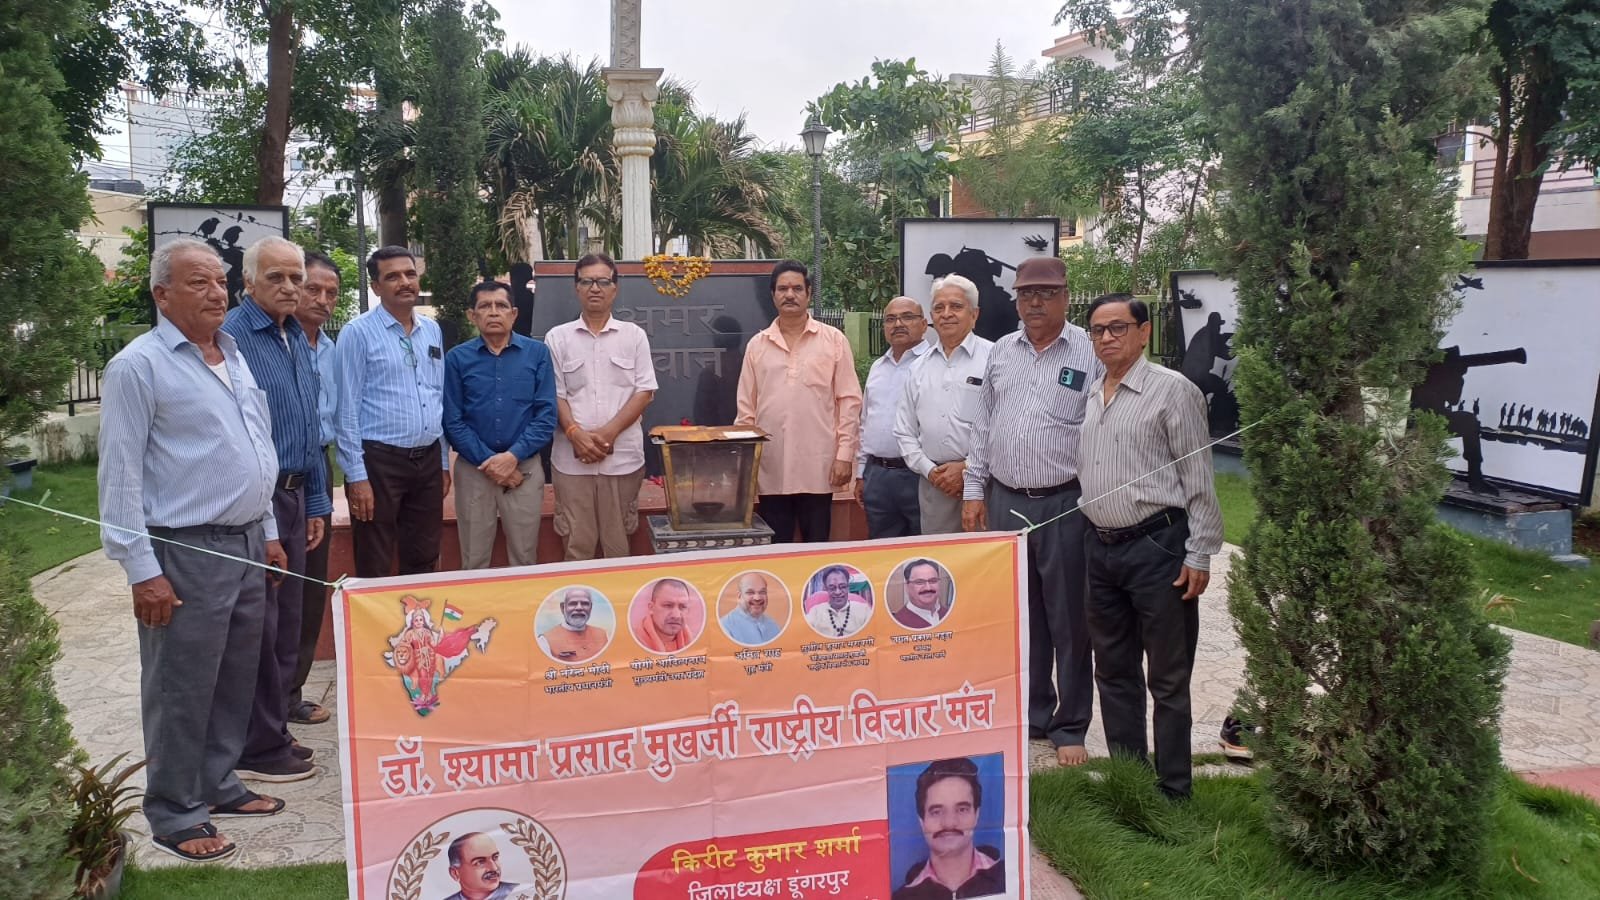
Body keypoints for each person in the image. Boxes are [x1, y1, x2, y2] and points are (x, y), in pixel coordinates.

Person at [98, 237, 289, 862]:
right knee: (181, 684)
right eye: (198, 282)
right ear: (162, 294)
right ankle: (175, 809)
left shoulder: (232, 354)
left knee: (233, 676)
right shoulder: (138, 366)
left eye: (220, 280)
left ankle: (217, 782)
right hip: (185, 551)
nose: (216, 292)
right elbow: (119, 475)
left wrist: (268, 531)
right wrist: (141, 569)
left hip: (245, 543)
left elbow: (255, 447)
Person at [1078, 294, 1223, 801]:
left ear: (1144, 333)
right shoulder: (1093, 392)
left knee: (1167, 676)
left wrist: (1200, 551)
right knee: (1113, 670)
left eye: (1118, 327)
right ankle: (1131, 783)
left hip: (1158, 548)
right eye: (1098, 330)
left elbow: (1198, 476)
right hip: (1101, 549)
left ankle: (1174, 790)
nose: (1107, 338)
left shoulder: (1172, 391)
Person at [961, 256, 1101, 768]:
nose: (1035, 302)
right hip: (1006, 500)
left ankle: (1071, 725)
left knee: (1069, 620)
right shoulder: (1002, 351)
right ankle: (1034, 712)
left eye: (1046, 293)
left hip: (1065, 502)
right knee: (1023, 616)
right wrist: (974, 490)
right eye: (1026, 294)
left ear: (1066, 296)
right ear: (1015, 299)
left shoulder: (1089, 351)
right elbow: (983, 424)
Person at [220, 236, 327, 784]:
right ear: (248, 282)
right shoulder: (233, 339)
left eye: (296, 278)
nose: (290, 288)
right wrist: (267, 519)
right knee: (261, 626)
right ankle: (257, 744)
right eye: (276, 278)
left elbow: (310, 427)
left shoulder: (296, 337)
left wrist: (316, 501)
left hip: (296, 495)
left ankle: (278, 722)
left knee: (288, 619)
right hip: (258, 502)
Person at [335, 246, 449, 577]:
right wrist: (357, 476)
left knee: (424, 554)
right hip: (380, 462)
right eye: (393, 277)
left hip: (427, 460)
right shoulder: (357, 333)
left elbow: (437, 396)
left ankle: (419, 612)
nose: (404, 282)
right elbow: (346, 409)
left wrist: (442, 462)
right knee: (375, 558)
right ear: (376, 287)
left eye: (410, 274)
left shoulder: (432, 330)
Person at [735, 260, 862, 542]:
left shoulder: (833, 340)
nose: (789, 295)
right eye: (782, 289)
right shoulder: (757, 345)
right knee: (776, 551)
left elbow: (849, 401)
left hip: (818, 468)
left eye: (796, 288)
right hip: (771, 468)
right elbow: (746, 410)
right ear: (773, 295)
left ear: (809, 293)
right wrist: (747, 465)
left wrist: (844, 455)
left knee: (816, 549)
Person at [545, 253, 657, 560]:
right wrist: (575, 434)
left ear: (615, 288)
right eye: (587, 281)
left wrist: (607, 434)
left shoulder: (634, 336)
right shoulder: (558, 338)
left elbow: (644, 391)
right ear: (577, 288)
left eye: (603, 281)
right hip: (571, 463)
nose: (595, 288)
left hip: (622, 461)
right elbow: (554, 393)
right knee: (576, 546)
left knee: (618, 547)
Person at [443, 281, 558, 569]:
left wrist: (512, 458)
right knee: (474, 559)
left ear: (514, 313)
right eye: (485, 306)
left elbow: (545, 416)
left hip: (524, 470)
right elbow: (452, 420)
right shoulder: (456, 359)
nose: (493, 312)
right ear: (472, 315)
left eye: (501, 306)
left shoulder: (537, 354)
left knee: (524, 557)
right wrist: (492, 464)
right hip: (474, 470)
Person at [287, 250, 341, 727]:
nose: (322, 300)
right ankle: (266, 696)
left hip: (318, 466)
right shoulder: (271, 343)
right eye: (313, 289)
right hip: (277, 473)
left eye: (331, 293)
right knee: (275, 587)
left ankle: (292, 692)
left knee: (310, 585)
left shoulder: (329, 348)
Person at [896, 275, 994, 534]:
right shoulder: (918, 367)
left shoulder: (995, 359)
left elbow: (1007, 427)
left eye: (956, 306)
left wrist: (967, 468)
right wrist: (931, 472)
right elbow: (904, 432)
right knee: (939, 558)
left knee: (985, 556)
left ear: (974, 314)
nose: (947, 314)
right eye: (939, 308)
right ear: (931, 317)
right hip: (934, 486)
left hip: (985, 484)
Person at [854, 296, 929, 538]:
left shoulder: (934, 363)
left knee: (924, 548)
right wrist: (861, 473)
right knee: (883, 550)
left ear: (924, 324)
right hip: (878, 476)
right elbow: (866, 422)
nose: (898, 324)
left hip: (919, 475)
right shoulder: (878, 367)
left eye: (907, 317)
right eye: (890, 319)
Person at [892, 758, 1005, 899]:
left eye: (962, 809)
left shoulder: (1008, 876)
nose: (949, 823)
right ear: (922, 821)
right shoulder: (901, 897)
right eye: (936, 812)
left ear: (976, 815)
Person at [441, 832, 524, 900]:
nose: (494, 868)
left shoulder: (520, 892)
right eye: (480, 862)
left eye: (495, 858)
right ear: (455, 873)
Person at [536, 587, 610, 663]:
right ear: (563, 607)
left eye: (585, 603)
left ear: (590, 608)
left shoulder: (603, 635)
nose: (579, 608)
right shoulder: (545, 641)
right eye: (573, 603)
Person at [804, 565, 871, 638]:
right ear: (826, 589)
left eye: (842, 587)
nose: (838, 592)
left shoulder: (864, 610)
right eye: (832, 588)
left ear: (848, 587)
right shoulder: (815, 612)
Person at [635, 578, 697, 653]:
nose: (676, 615)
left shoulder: (693, 643)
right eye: (668, 605)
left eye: (683, 607)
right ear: (651, 608)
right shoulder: (633, 641)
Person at [719, 572, 782, 644]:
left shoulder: (772, 625)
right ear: (739, 596)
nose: (757, 598)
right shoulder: (725, 627)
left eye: (762, 592)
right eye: (750, 592)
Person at [893, 558, 951, 629]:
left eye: (933, 581)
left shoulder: (950, 614)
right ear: (907, 587)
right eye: (919, 582)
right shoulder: (897, 623)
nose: (928, 588)